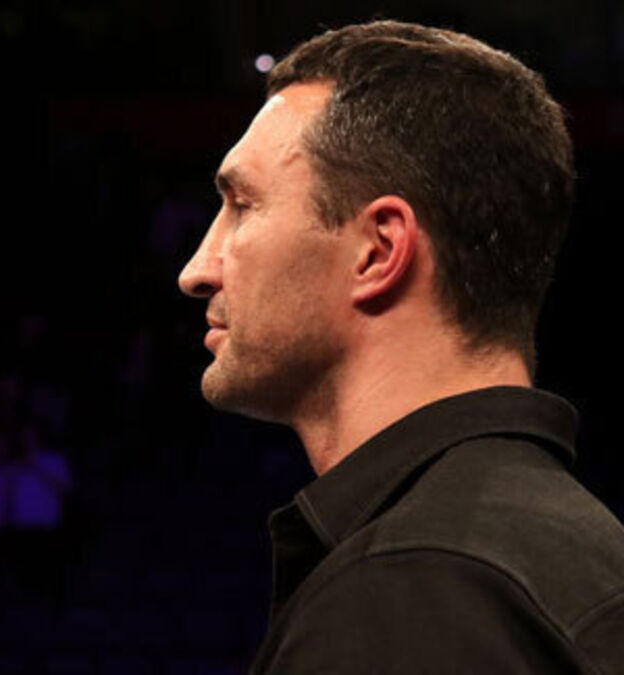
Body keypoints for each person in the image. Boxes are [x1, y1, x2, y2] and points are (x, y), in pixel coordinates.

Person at [178, 20, 624, 672]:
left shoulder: (405, 591)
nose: (196, 269)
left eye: (242, 205)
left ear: (378, 250)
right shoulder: (581, 548)